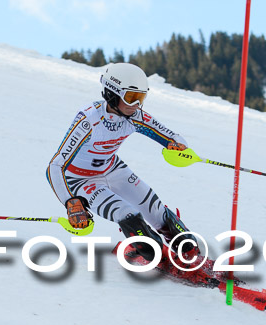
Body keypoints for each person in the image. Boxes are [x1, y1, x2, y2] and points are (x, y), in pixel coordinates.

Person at [46, 62, 198, 261]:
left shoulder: (135, 117)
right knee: (128, 216)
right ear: (112, 94)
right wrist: (71, 202)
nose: (137, 105)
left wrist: (178, 146)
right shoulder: (89, 120)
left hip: (114, 170)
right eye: (131, 98)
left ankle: (187, 251)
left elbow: (173, 137)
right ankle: (155, 254)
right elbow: (55, 166)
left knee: (160, 215)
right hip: (82, 181)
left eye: (141, 98)